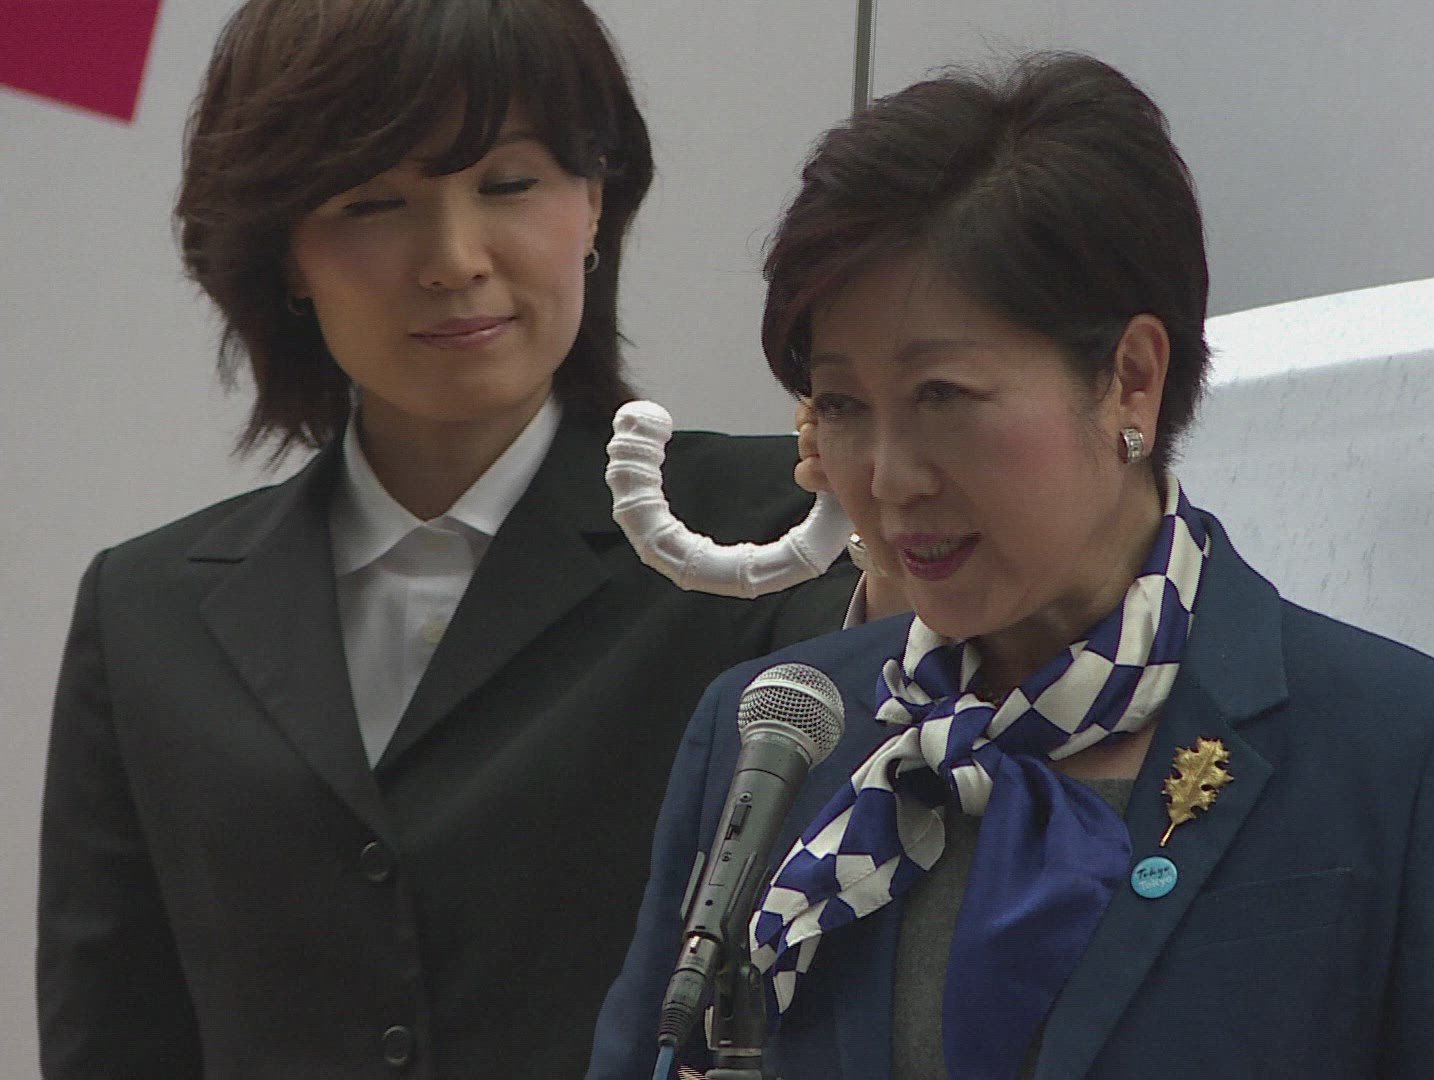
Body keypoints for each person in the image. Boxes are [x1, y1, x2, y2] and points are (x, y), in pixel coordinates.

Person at [588, 53, 1434, 1079]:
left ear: (1131, 380)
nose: (890, 478)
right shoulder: (775, 740)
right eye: (844, 405)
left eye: (942, 396)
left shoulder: (1402, 758)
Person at [34, 2, 854, 1078]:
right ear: (287, 253)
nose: (454, 259)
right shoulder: (148, 610)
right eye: (374, 202)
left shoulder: (779, 532)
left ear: (595, 200)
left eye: (509, 184)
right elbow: (113, 1039)